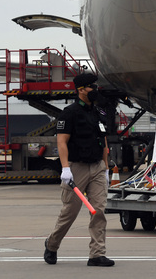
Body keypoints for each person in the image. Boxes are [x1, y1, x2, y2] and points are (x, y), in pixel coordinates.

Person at [44, 73, 115, 267]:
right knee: (70, 212)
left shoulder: (98, 112)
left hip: (97, 167)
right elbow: (62, 141)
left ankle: (97, 254)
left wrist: (106, 168)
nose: (95, 90)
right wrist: (65, 168)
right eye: (92, 87)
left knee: (98, 210)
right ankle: (52, 244)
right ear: (81, 89)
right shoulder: (69, 113)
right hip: (76, 168)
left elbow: (104, 142)